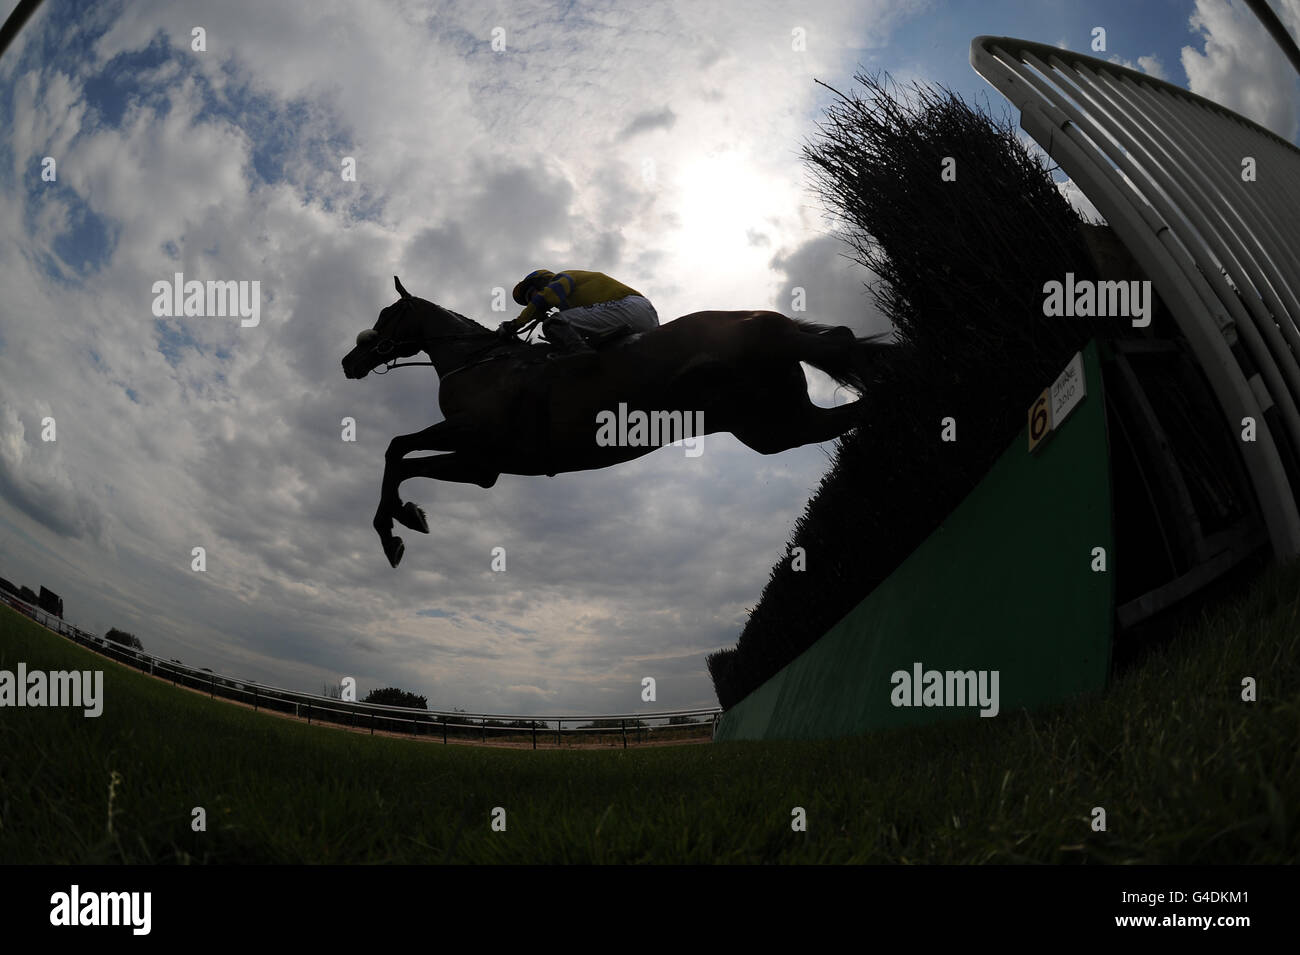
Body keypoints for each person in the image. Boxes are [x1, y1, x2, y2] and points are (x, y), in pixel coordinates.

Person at [497, 269, 659, 354]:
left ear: (541, 282)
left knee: (555, 322)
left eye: (531, 295)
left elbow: (544, 299)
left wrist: (514, 325)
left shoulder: (563, 277)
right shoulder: (573, 308)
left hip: (630, 307)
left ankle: (582, 359)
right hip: (644, 318)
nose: (532, 301)